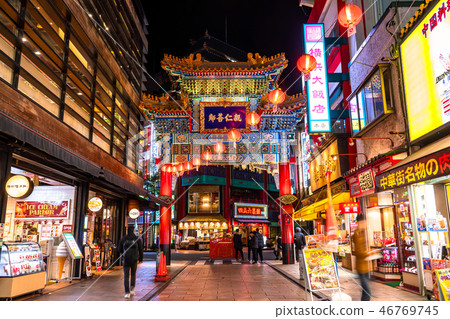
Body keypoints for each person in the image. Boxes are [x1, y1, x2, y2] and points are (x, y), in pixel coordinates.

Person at [118, 225, 143, 299]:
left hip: (126, 259)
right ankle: (132, 289)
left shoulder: (123, 238)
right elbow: (141, 249)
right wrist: (140, 258)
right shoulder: (136, 238)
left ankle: (127, 293)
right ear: (133, 231)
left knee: (126, 275)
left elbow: (119, 249)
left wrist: (123, 254)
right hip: (134, 259)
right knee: (133, 274)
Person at [354, 214, 372, 301]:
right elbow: (358, 251)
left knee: (365, 291)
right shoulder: (357, 234)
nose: (365, 223)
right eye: (363, 222)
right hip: (361, 266)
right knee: (367, 291)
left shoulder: (364, 232)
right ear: (360, 222)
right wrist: (368, 253)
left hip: (366, 265)